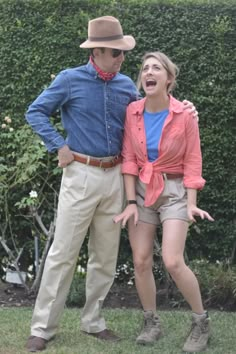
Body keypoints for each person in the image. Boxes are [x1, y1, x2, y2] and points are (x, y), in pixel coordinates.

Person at [25, 16, 198, 352]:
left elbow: (150, 114)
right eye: (117, 53)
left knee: (105, 256)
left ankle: (93, 322)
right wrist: (57, 145)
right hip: (81, 174)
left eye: (122, 52)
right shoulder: (69, 80)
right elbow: (36, 111)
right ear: (98, 52)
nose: (122, 59)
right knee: (63, 253)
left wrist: (188, 108)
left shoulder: (124, 87)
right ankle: (43, 328)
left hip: (118, 178)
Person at [113, 51, 214, 353]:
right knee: (141, 260)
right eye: (145, 68)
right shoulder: (132, 111)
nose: (149, 72)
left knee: (172, 260)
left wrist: (191, 201)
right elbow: (129, 159)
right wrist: (131, 201)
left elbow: (193, 160)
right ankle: (151, 321)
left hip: (174, 192)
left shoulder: (184, 114)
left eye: (156, 68)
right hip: (142, 192)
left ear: (169, 78)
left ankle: (200, 322)